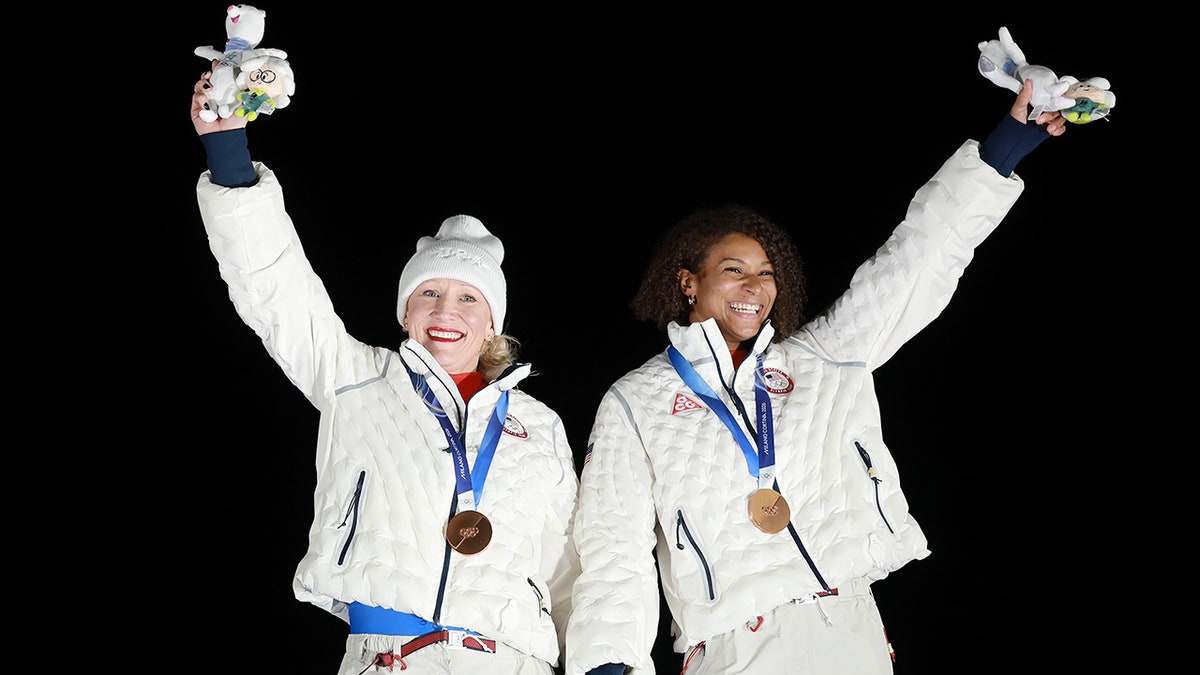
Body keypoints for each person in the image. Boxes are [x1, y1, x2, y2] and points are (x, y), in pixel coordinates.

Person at [564, 77, 1071, 675]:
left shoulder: (820, 359)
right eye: (733, 269)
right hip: (735, 644)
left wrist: (1005, 144)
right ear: (688, 282)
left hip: (848, 627)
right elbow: (613, 546)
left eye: (766, 272)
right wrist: (609, 664)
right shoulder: (636, 400)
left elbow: (916, 259)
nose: (755, 286)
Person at [190, 66, 580, 675]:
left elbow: (567, 567)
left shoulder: (541, 425)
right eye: (429, 294)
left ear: (492, 325)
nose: (446, 312)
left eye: (468, 298)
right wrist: (228, 152)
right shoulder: (354, 377)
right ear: (405, 313)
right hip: (391, 658)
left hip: (513, 661)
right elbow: (275, 287)